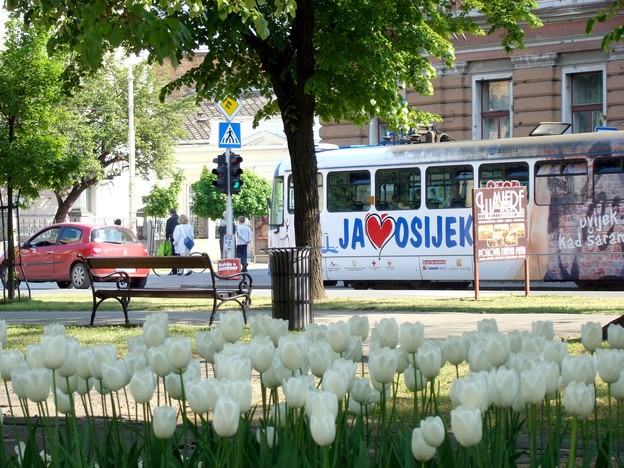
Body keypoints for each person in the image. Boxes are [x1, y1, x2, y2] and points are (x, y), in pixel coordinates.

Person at [165, 208, 179, 275]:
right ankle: (180, 270)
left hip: (173, 239)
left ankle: (174, 270)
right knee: (180, 255)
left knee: (174, 254)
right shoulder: (180, 219)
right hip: (180, 239)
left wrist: (167, 238)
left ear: (170, 213)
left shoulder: (169, 220)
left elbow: (167, 230)